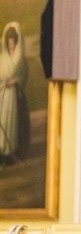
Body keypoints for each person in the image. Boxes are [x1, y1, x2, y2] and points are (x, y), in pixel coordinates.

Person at [0, 22, 31, 164]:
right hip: (4, 96)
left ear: (16, 42)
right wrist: (4, 83)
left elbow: (24, 75)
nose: (11, 45)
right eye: (9, 43)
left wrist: (16, 81)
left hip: (17, 96)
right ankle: (4, 152)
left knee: (17, 124)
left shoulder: (21, 59)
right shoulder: (3, 58)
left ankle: (16, 151)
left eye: (13, 42)